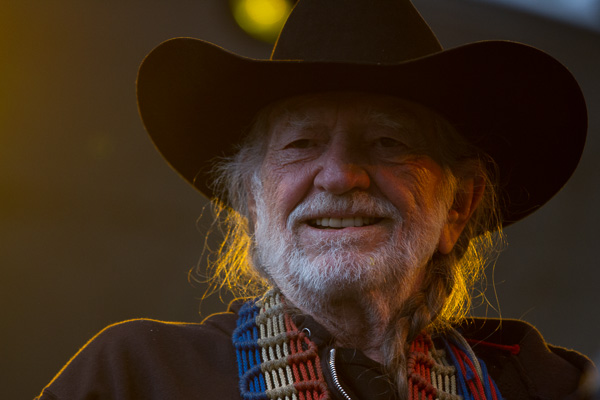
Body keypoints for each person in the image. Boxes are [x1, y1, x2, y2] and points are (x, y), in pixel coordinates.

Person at [36, 0, 596, 399]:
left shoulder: (537, 384)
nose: (339, 175)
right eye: (301, 144)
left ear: (459, 207)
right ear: (252, 202)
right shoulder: (138, 374)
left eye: (387, 142)